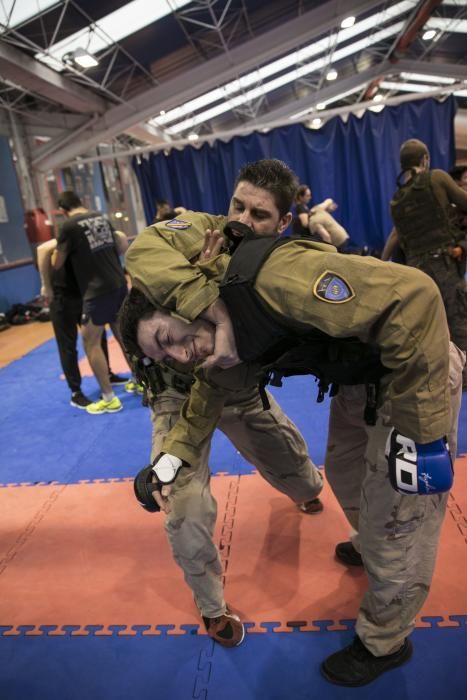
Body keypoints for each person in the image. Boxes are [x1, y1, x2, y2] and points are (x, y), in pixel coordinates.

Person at [124, 159, 463, 686]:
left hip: (414, 369)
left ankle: (385, 641)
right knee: (347, 477)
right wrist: (168, 465)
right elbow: (200, 407)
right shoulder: (215, 339)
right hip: (359, 376)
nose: (179, 356)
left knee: (401, 521)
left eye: (170, 339)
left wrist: (422, 439)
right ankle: (372, 542)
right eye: (236, 206)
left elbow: (417, 297)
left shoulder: (273, 276)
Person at [122, 161, 326, 649]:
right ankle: (211, 605)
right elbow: (143, 250)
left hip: (234, 387)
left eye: (258, 213)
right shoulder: (198, 229)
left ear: (282, 223)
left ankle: (306, 489)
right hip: (174, 391)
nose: (242, 219)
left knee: (291, 461)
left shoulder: (285, 260)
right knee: (183, 505)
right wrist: (210, 301)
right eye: (238, 204)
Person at [383, 139, 467, 385]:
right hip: (443, 263)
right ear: (425, 160)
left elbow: (396, 236)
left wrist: (382, 260)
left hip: (415, 270)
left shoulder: (397, 200)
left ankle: (433, 372)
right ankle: (462, 377)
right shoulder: (437, 178)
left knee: (429, 323)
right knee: (458, 319)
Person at [53, 191, 132, 414]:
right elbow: (120, 245)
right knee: (122, 336)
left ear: (62, 210)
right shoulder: (101, 217)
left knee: (91, 343)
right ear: (82, 201)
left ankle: (108, 398)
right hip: (118, 283)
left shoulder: (68, 226)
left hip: (96, 292)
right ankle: (142, 382)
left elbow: (57, 263)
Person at [37, 237, 128, 408]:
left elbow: (120, 237)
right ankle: (76, 391)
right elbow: (42, 249)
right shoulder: (66, 239)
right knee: (68, 345)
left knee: (97, 337)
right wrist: (45, 286)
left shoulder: (88, 239)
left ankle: (107, 374)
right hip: (61, 298)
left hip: (84, 295)